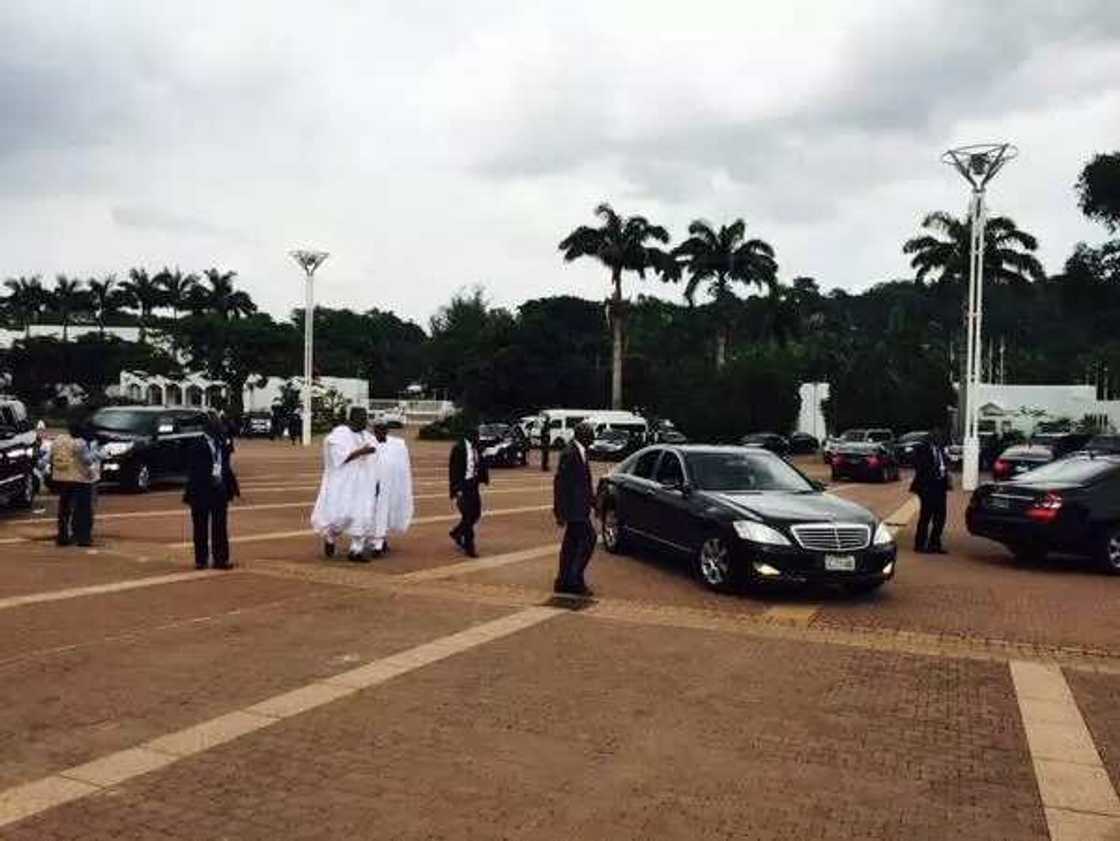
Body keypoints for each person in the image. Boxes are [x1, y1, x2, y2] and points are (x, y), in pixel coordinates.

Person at [310, 407, 378, 561]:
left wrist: (376, 481)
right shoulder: (339, 435)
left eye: (365, 418)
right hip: (342, 484)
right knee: (340, 516)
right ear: (352, 419)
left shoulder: (367, 436)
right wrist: (361, 452)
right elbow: (339, 458)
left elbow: (375, 458)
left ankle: (356, 550)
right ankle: (330, 537)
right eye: (362, 418)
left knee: (363, 515)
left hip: (363, 483)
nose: (365, 422)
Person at [183, 411, 241, 570]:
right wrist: (209, 478)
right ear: (208, 428)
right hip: (201, 490)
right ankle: (201, 560)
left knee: (220, 526)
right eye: (217, 425)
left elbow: (226, 462)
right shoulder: (197, 444)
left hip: (220, 489)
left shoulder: (222, 442)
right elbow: (194, 470)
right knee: (200, 527)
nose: (220, 428)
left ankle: (221, 559)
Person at [553, 421, 597, 596]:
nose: (593, 438)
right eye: (591, 434)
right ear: (583, 435)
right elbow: (560, 484)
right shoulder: (570, 453)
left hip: (579, 508)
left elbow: (584, 482)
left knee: (570, 545)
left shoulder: (580, 451)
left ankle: (563, 580)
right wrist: (559, 512)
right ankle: (574, 580)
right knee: (588, 539)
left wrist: (593, 501)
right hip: (574, 509)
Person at [368, 420, 414, 557]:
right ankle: (376, 542)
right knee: (372, 514)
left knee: (385, 513)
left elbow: (403, 467)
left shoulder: (397, 445)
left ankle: (380, 541)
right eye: (377, 430)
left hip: (390, 486)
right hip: (371, 486)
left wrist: (399, 486)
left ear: (387, 431)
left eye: (383, 430)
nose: (380, 433)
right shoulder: (368, 444)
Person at [49, 420, 99, 547]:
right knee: (83, 509)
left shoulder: (59, 440)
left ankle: (63, 536)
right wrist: (99, 454)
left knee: (64, 508)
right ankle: (83, 538)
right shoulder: (80, 443)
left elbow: (50, 456)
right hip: (80, 479)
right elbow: (87, 461)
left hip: (62, 477)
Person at [449, 428, 488, 558]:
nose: (478, 438)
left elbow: (481, 462)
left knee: (476, 514)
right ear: (469, 436)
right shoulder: (459, 448)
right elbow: (453, 471)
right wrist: (455, 490)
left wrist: (483, 477)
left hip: (474, 484)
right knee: (468, 516)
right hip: (463, 486)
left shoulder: (477, 447)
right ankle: (469, 546)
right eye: (476, 436)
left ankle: (457, 532)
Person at [911, 428, 950, 554]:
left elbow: (944, 463)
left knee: (940, 517)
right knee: (926, 516)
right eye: (938, 436)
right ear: (932, 437)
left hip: (940, 486)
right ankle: (920, 544)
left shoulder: (941, 449)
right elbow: (919, 465)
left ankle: (935, 543)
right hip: (927, 486)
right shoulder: (922, 448)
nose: (940, 439)